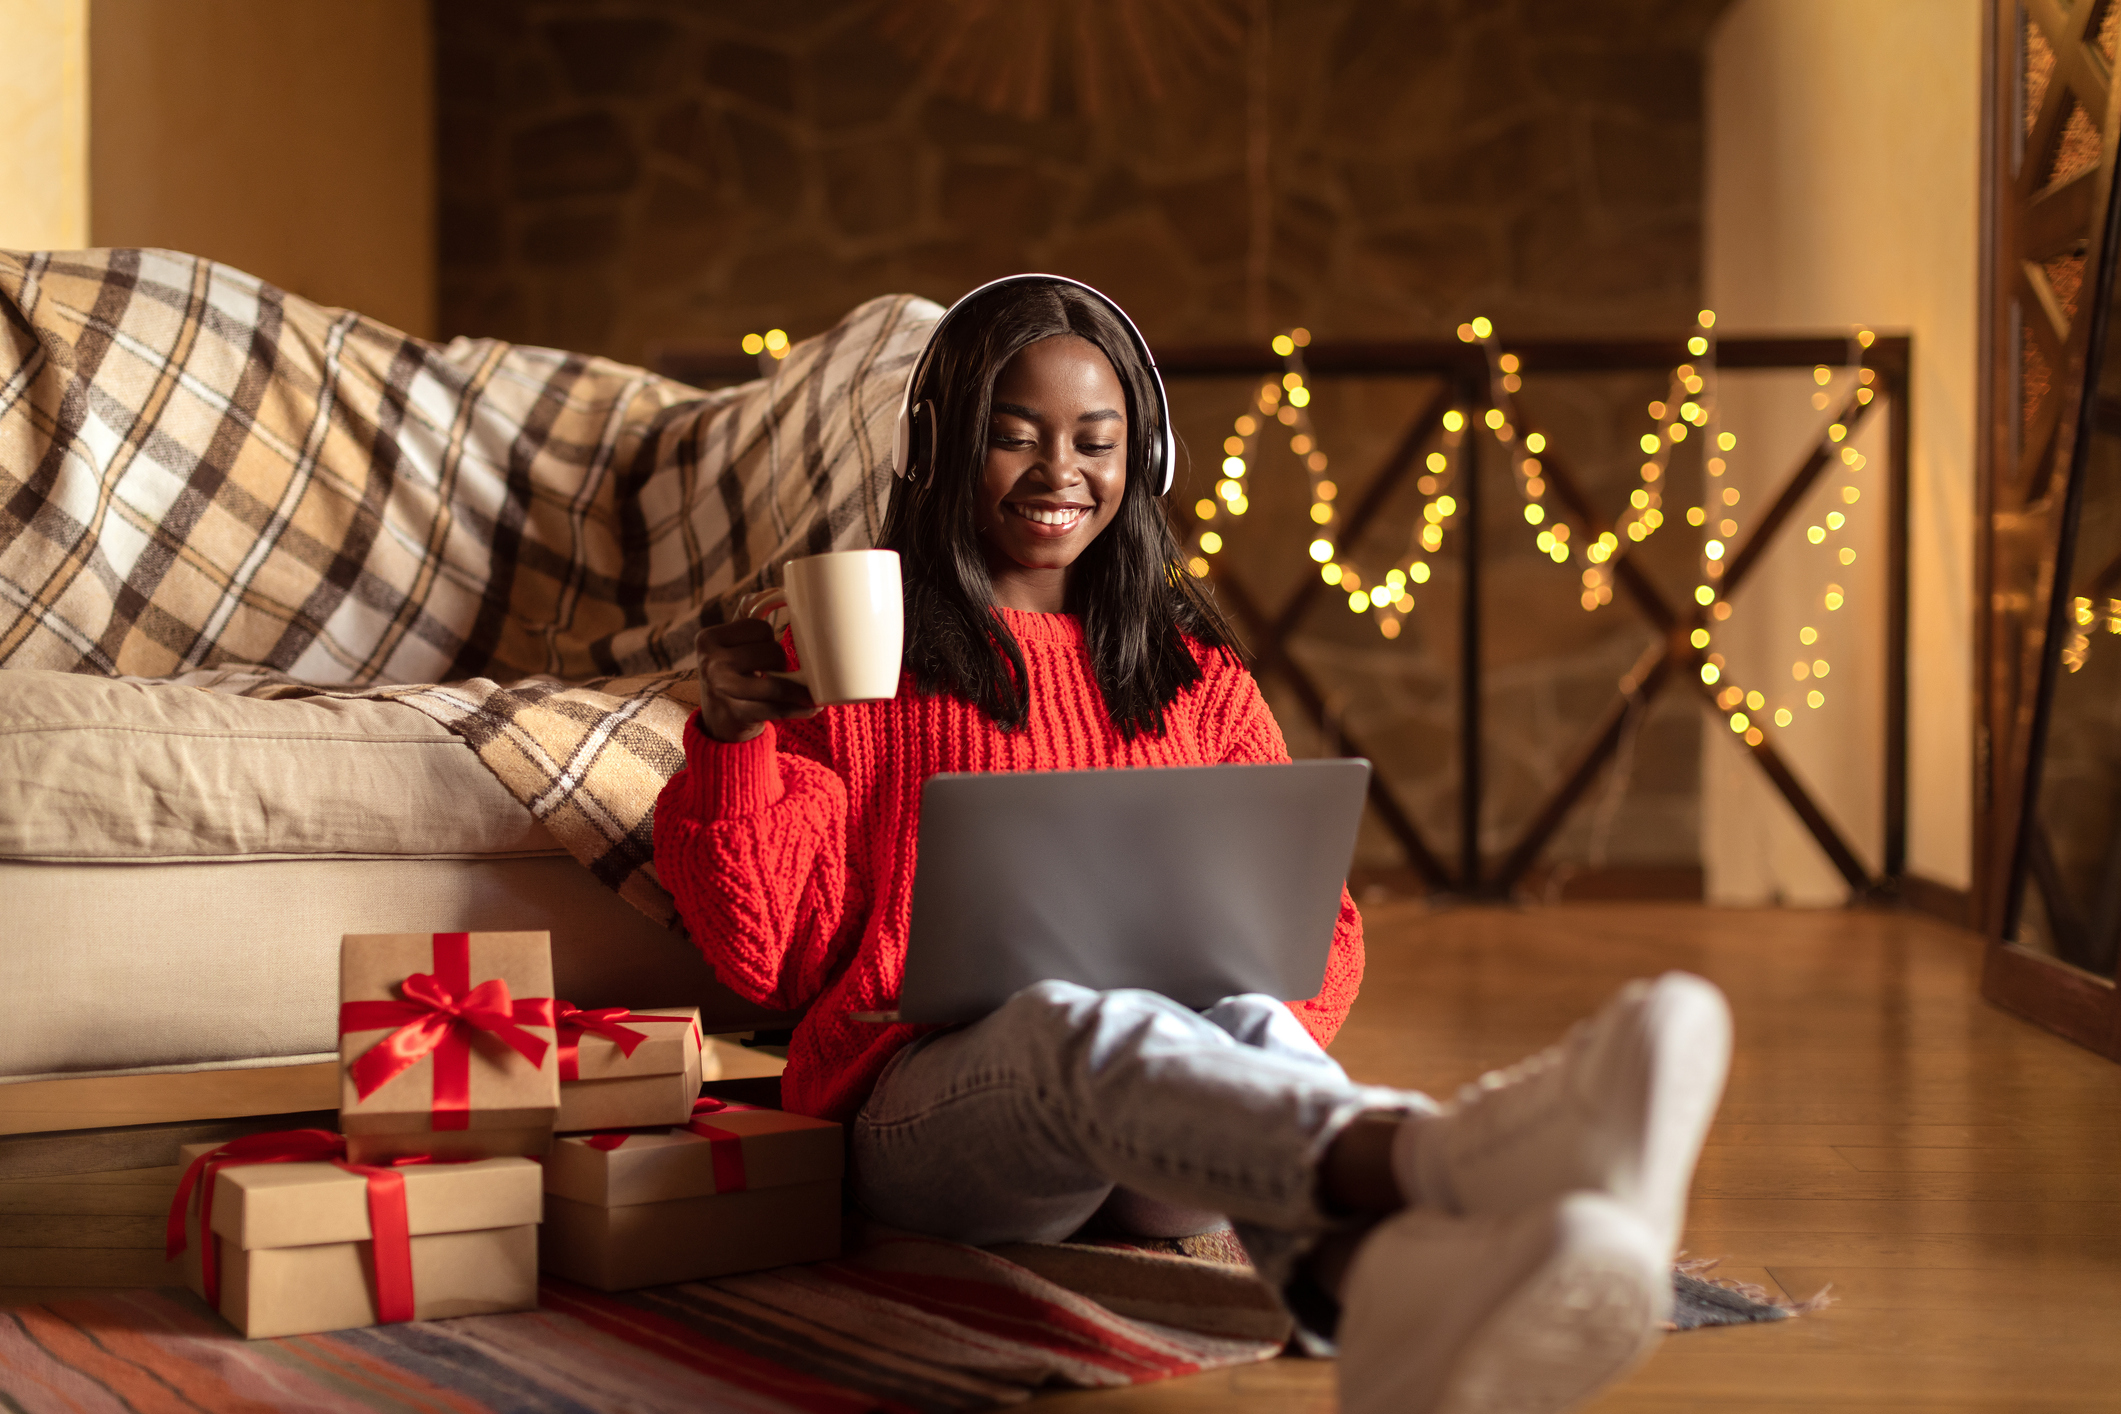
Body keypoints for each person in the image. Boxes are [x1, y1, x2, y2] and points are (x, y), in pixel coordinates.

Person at [654, 276, 1732, 1414]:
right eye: (1011, 437)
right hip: (934, 1123)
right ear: (940, 450)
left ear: (1145, 458)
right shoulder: (843, 654)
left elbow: (1321, 938)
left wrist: (1215, 1036)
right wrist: (736, 744)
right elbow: (765, 956)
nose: (1059, 470)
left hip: (1170, 1148)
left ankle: (1382, 1285)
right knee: (1075, 1014)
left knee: (1253, 1016)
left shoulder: (1191, 672)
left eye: (1095, 440)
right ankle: (1459, 1161)